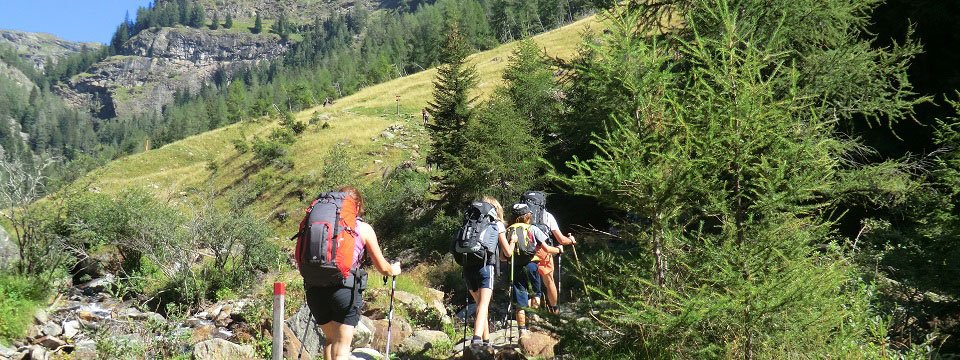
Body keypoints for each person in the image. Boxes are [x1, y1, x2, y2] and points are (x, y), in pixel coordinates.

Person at [303, 186, 402, 360]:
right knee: (342, 345)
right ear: (356, 207)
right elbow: (383, 268)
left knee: (330, 340)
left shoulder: (321, 223)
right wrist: (394, 270)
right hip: (344, 289)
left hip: (314, 287)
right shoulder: (362, 228)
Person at [462, 196, 511, 346]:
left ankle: (486, 340)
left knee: (479, 304)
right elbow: (507, 254)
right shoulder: (497, 224)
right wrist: (513, 242)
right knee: (483, 304)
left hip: (467, 266)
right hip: (486, 266)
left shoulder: (470, 223)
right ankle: (476, 340)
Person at [508, 203, 561, 333]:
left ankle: (521, 330)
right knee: (534, 294)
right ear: (527, 217)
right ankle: (534, 322)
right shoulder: (532, 229)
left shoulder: (509, 230)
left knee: (520, 299)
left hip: (515, 267)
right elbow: (547, 249)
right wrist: (559, 249)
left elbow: (504, 256)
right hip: (532, 265)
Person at [521, 192, 576, 314]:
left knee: (527, 284)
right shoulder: (547, 216)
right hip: (544, 252)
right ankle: (553, 310)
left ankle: (527, 314)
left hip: (524, 252)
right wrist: (570, 240)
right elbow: (561, 239)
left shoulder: (520, 215)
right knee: (549, 281)